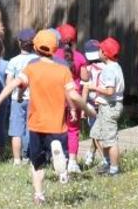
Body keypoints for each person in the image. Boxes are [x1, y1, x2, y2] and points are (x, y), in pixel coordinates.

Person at [0, 28, 94, 204]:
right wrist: (85, 109)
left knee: (37, 163)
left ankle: (39, 194)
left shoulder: (31, 68)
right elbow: (72, 95)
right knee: (59, 150)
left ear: (35, 48)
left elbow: (13, 85)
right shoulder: (63, 69)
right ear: (55, 49)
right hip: (57, 125)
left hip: (36, 124)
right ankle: (61, 167)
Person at [85, 37, 125, 176]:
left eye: (100, 50)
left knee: (110, 140)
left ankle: (114, 169)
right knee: (96, 134)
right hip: (105, 106)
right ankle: (107, 162)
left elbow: (110, 91)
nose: (98, 52)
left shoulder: (108, 70)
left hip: (110, 107)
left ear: (104, 53)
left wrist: (94, 87)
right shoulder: (116, 66)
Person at [52, 23, 87, 172]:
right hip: (74, 98)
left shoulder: (54, 56)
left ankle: (58, 158)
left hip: (57, 98)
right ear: (75, 40)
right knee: (73, 130)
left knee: (56, 129)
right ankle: (72, 161)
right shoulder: (79, 57)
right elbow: (85, 77)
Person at [5, 28, 38, 165]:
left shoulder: (13, 61)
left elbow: (9, 82)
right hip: (34, 98)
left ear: (19, 43)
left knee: (16, 130)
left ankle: (17, 160)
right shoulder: (38, 60)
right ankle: (28, 157)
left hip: (16, 99)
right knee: (30, 129)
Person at [79, 39, 103, 168]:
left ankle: (92, 156)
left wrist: (82, 108)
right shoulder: (106, 67)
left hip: (91, 105)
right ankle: (92, 153)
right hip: (102, 104)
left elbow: (85, 90)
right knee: (96, 132)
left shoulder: (86, 69)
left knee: (95, 131)